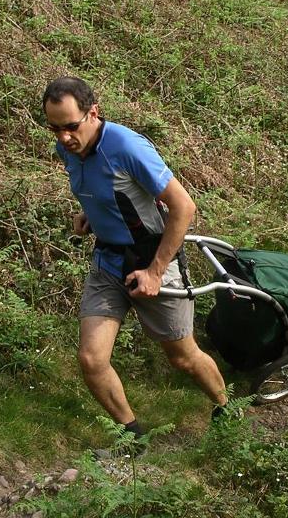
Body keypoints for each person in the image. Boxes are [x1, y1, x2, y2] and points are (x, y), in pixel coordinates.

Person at [42, 76, 227, 445]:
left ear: (93, 113)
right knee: (92, 360)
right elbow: (104, 189)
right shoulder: (69, 148)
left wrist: (156, 271)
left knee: (183, 358)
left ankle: (228, 407)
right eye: (54, 128)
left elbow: (183, 206)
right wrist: (91, 214)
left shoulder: (127, 147)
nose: (63, 137)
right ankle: (134, 437)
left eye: (70, 126)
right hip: (108, 264)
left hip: (152, 261)